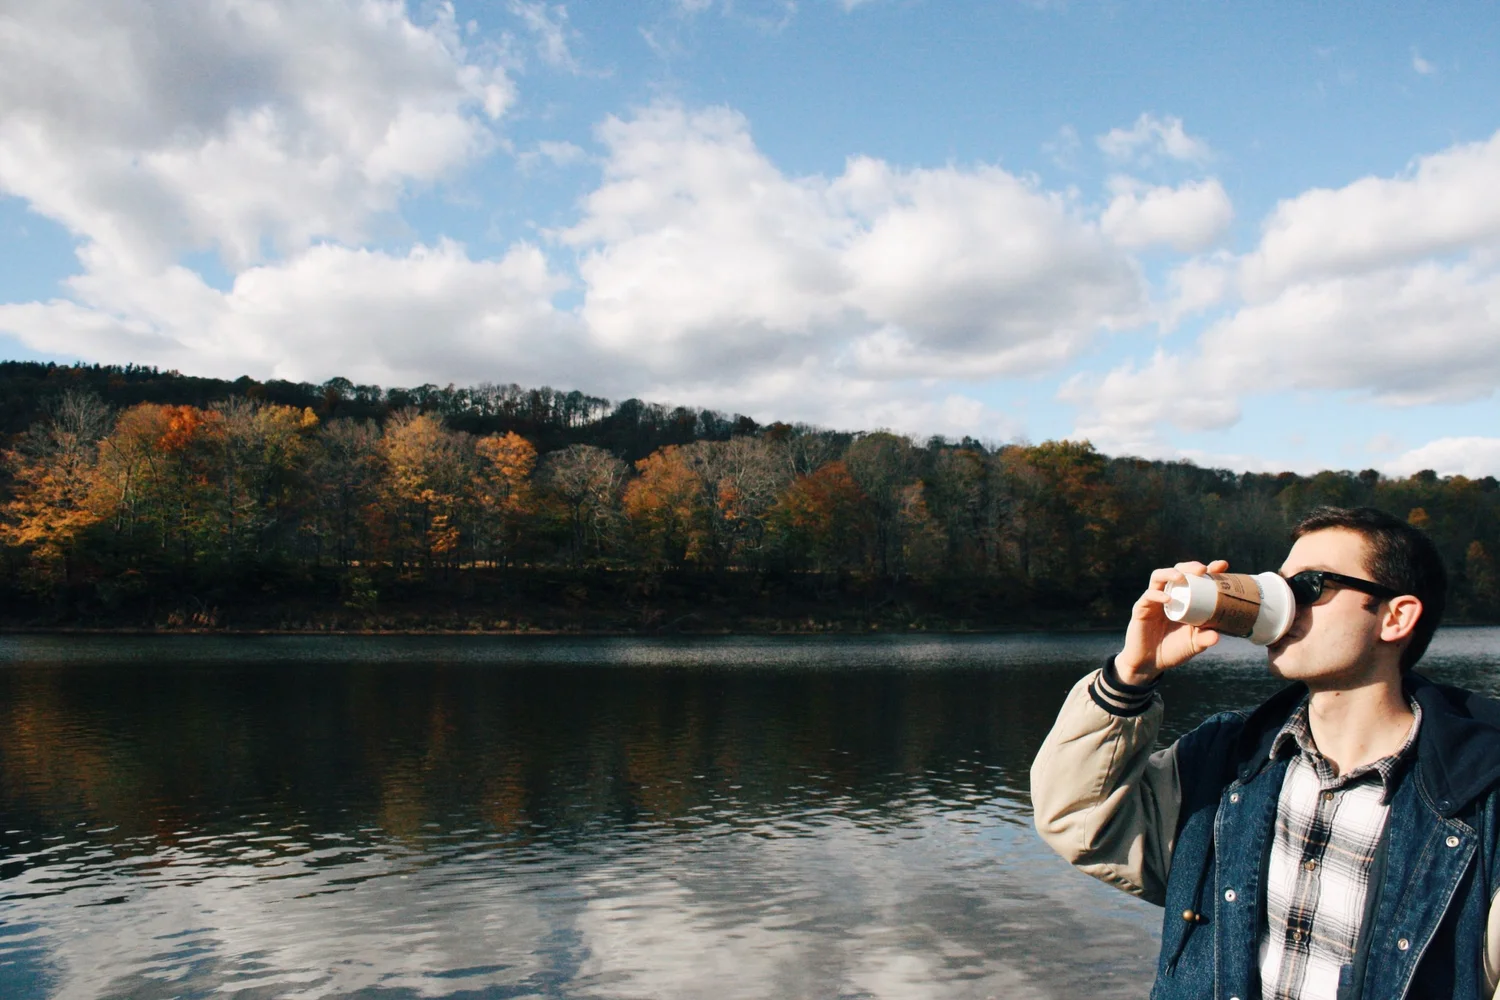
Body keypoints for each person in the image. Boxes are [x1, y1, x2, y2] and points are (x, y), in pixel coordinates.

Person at [1030, 506, 1500, 1000]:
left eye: (1309, 586)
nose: (1285, 605)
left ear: (1395, 617)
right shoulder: (1228, 761)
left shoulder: (1480, 798)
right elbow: (1079, 819)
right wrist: (1132, 673)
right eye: (1278, 586)